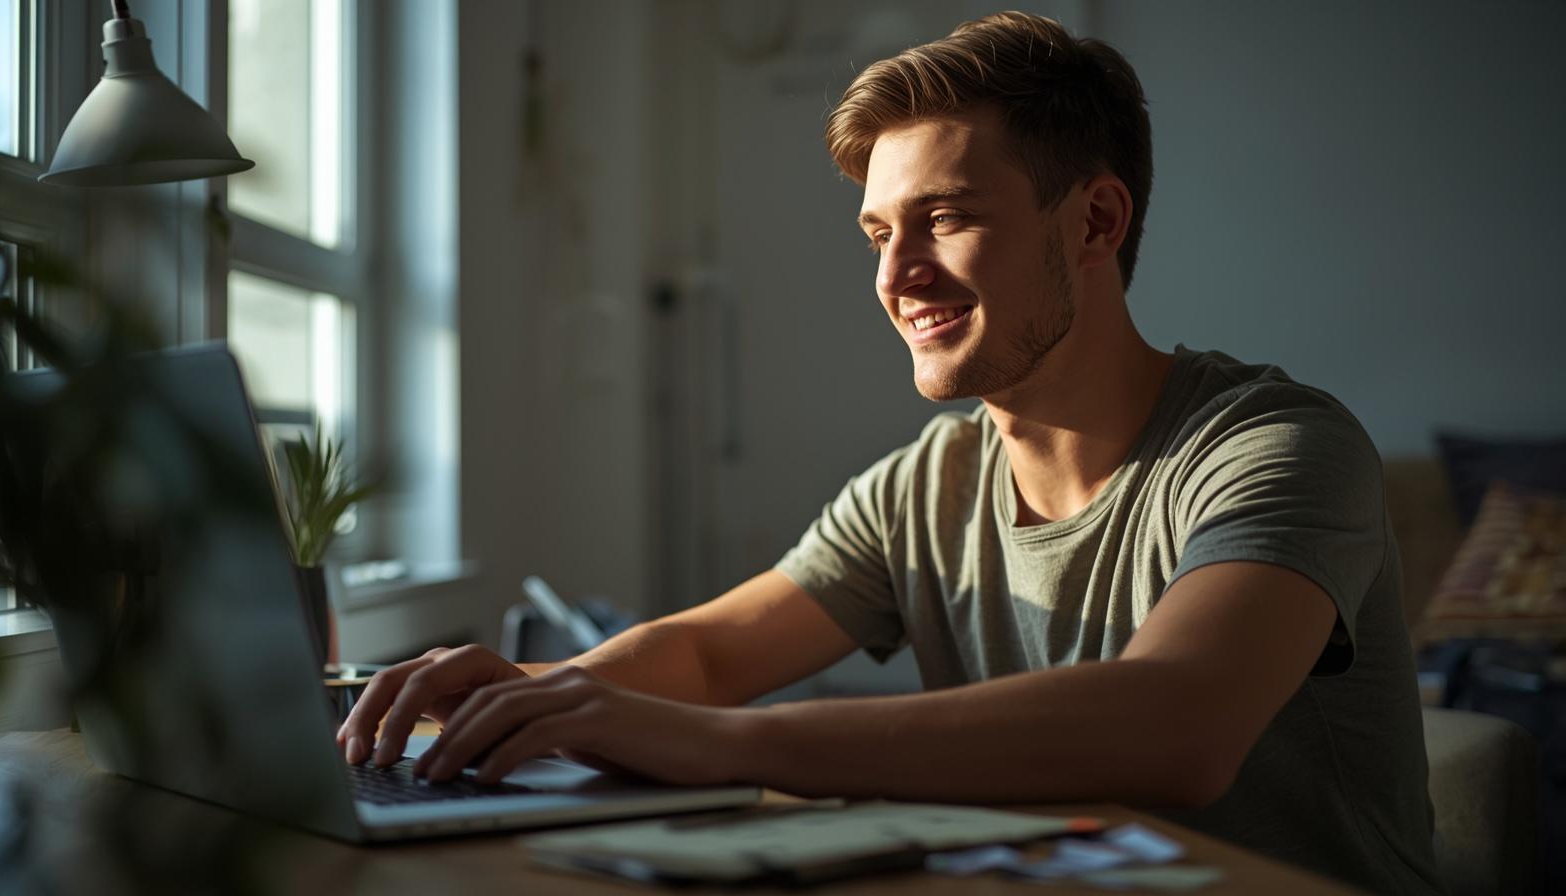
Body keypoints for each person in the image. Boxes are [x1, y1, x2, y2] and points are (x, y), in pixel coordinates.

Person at [338, 11, 1440, 893]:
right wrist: (506, 695)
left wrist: (722, 743)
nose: (894, 274)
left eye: (945, 217)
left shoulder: (1274, 443)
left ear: (1095, 223)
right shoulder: (926, 481)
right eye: (878, 232)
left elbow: (1177, 722)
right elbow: (713, 658)